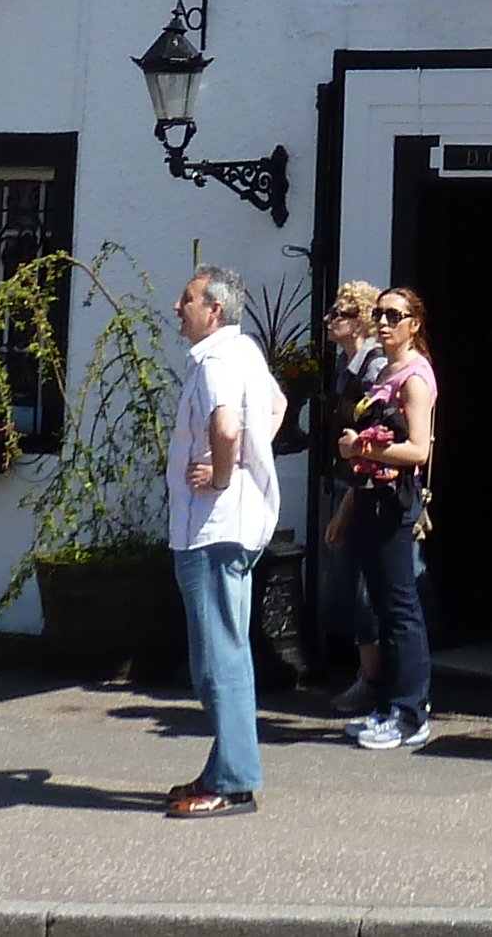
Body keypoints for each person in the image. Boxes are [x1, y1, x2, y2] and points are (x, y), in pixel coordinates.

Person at [162, 264, 287, 820]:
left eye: (186, 299)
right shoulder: (248, 354)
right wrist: (243, 461)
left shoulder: (215, 359)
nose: (176, 307)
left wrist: (218, 473)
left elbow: (229, 426)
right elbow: (276, 410)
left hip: (211, 528)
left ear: (213, 310)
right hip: (237, 525)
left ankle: (234, 782)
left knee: (218, 660)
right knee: (224, 653)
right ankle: (223, 768)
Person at [337, 285, 440, 751]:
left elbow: (418, 448)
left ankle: (412, 712)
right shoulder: (386, 372)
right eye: (379, 313)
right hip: (369, 497)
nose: (383, 322)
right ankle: (392, 706)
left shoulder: (415, 378)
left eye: (394, 315)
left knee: (401, 608)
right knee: (381, 604)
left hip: (395, 499)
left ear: (413, 324)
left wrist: (364, 446)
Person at [315, 281, 390, 716]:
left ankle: (375, 681)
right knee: (354, 585)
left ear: (360, 320)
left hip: (365, 488)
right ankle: (371, 677)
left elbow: (370, 441)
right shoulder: (347, 368)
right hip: (348, 483)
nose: (329, 321)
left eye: (339, 314)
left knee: (369, 589)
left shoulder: (373, 370)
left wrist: (343, 508)